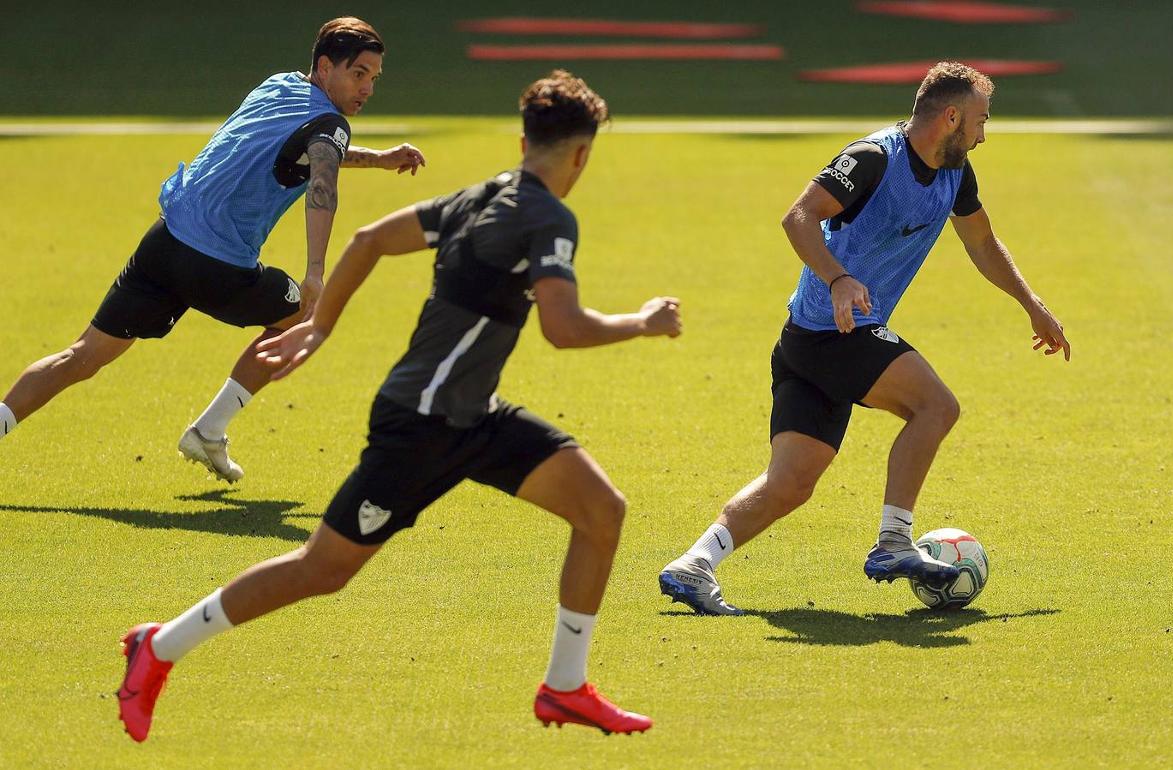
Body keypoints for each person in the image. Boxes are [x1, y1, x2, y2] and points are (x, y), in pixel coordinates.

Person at [116, 70, 676, 742]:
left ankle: (564, 687)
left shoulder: (483, 196)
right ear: (581, 154)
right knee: (321, 570)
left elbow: (369, 240)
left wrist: (319, 327)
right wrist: (642, 323)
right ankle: (159, 646)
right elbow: (563, 328)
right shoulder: (547, 218)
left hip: (474, 415)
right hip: (421, 426)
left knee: (600, 510)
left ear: (524, 138)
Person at [659, 61, 1070, 615]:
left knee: (790, 482)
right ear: (950, 116)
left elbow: (983, 244)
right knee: (936, 407)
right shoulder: (872, 159)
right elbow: (798, 217)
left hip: (812, 343)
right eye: (979, 120)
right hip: (833, 333)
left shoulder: (956, 173)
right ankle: (894, 542)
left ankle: (694, 564)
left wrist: (1031, 303)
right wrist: (839, 278)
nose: (982, 134)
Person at [0, 17, 425, 483]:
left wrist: (380, 159)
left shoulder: (278, 85)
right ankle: (210, 429)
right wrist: (316, 273)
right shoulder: (331, 123)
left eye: (374, 78)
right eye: (358, 73)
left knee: (81, 357)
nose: (366, 88)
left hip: (165, 242)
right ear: (325, 67)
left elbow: (301, 147)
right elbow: (322, 180)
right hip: (218, 266)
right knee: (303, 316)